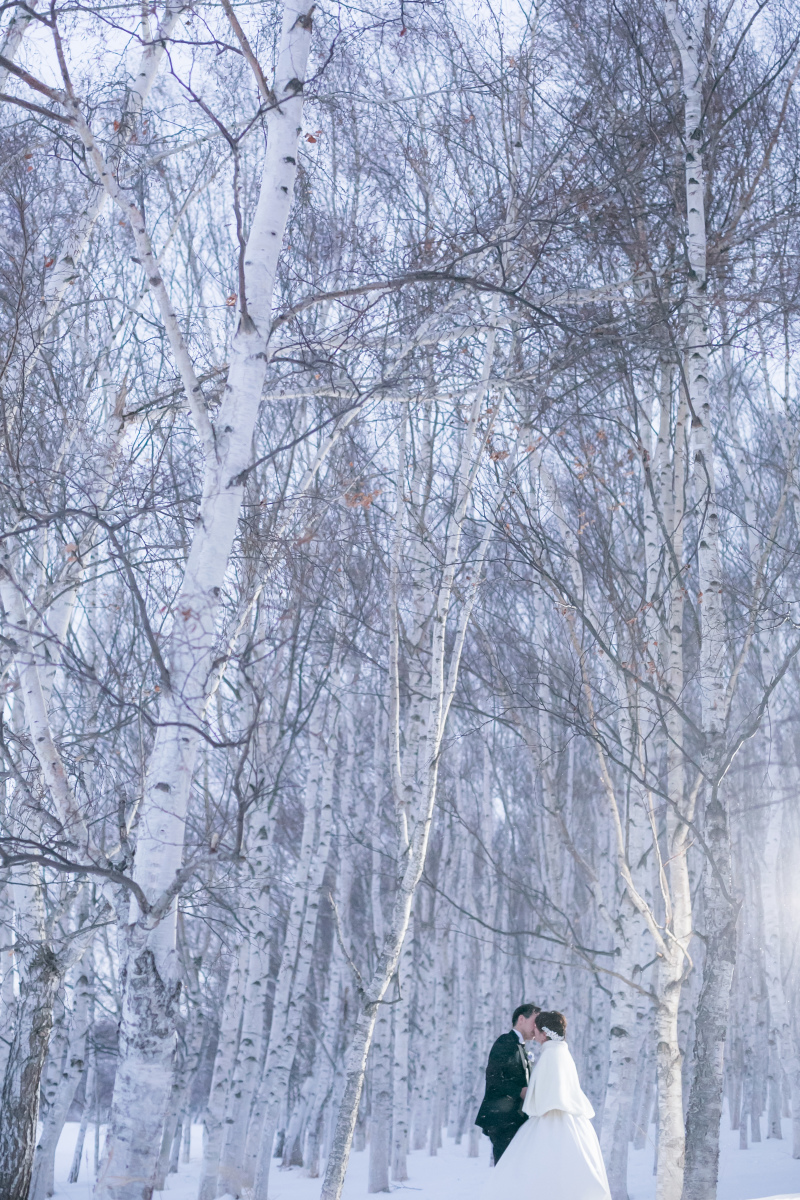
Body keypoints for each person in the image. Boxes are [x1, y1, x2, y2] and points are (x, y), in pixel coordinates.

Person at [481, 1010, 611, 1200]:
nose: (534, 1033)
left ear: (544, 1033)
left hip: (550, 1120)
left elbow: (548, 1093)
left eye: (537, 1029)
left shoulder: (551, 1054)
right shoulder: (561, 1052)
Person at [475, 1003, 541, 1163]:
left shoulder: (522, 1048)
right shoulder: (505, 1041)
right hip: (502, 1120)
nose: (537, 1027)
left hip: (515, 1120)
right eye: (535, 1021)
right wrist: (520, 1091)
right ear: (521, 1019)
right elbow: (493, 1078)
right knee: (505, 1171)